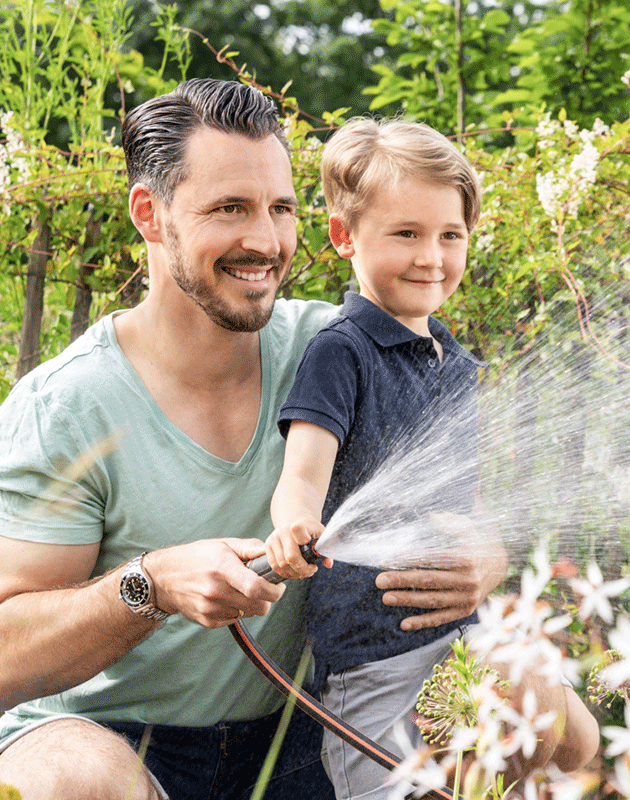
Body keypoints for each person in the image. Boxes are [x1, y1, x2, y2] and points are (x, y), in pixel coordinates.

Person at [0, 79, 503, 800]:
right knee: (73, 781)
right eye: (230, 208)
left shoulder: (335, 349)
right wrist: (152, 585)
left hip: (299, 729)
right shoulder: (66, 408)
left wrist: (482, 552)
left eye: (281, 209)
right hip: (112, 737)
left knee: (546, 714)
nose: (265, 241)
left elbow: (446, 489)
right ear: (151, 214)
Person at [265, 117, 599, 800]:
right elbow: (302, 472)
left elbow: (460, 497)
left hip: (461, 631)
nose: (432, 256)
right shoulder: (342, 351)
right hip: (372, 652)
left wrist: (484, 547)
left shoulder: (454, 363)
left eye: (452, 235)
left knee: (576, 740)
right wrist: (294, 524)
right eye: (407, 234)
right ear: (344, 237)